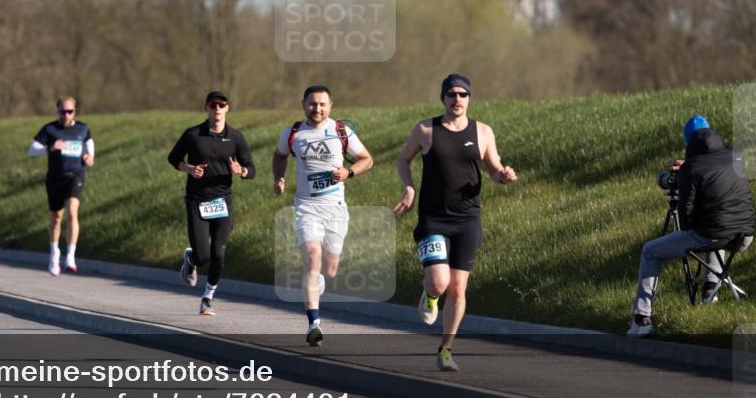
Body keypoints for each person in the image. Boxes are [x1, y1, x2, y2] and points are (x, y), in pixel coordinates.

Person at [394, 74, 517, 371]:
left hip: (467, 219)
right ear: (443, 98)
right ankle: (430, 293)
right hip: (433, 218)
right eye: (452, 94)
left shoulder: (483, 132)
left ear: (470, 98)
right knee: (440, 281)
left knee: (459, 289)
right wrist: (409, 188)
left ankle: (446, 349)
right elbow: (403, 159)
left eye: (463, 94)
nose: (457, 99)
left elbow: (494, 167)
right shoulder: (426, 130)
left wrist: (503, 176)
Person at [628, 115, 756, 337]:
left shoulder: (692, 168)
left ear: (689, 142)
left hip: (714, 236)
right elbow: (713, 175)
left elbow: (686, 223)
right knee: (717, 228)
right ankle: (710, 292)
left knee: (651, 251)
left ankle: (641, 319)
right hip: (745, 235)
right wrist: (688, 171)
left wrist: (685, 176)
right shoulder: (735, 155)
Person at [273, 85, 374, 346]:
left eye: (322, 104)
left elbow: (366, 159)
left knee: (329, 270)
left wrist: (348, 173)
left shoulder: (342, 132)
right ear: (303, 104)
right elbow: (279, 155)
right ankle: (314, 323)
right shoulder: (293, 133)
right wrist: (279, 177)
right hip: (306, 207)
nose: (316, 109)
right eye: (312, 104)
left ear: (331, 106)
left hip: (335, 209)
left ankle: (316, 278)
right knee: (312, 256)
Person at [167, 91, 256, 315]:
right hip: (197, 200)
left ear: (227, 108)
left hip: (223, 201)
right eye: (212, 105)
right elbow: (173, 158)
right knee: (203, 255)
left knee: (219, 253)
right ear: (206, 108)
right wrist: (189, 169)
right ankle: (191, 258)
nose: (217, 109)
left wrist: (241, 170)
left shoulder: (236, 138)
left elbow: (252, 169)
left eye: (221, 105)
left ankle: (207, 297)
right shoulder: (193, 135)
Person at [28, 97, 94, 276]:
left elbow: (90, 149)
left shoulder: (83, 129)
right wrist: (50, 147)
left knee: (73, 212)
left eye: (70, 111)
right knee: (56, 217)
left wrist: (89, 158)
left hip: (75, 175)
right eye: (63, 112)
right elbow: (32, 149)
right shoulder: (50, 129)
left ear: (75, 111)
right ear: (58, 111)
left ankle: (71, 256)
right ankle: (54, 254)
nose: (66, 115)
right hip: (55, 177)